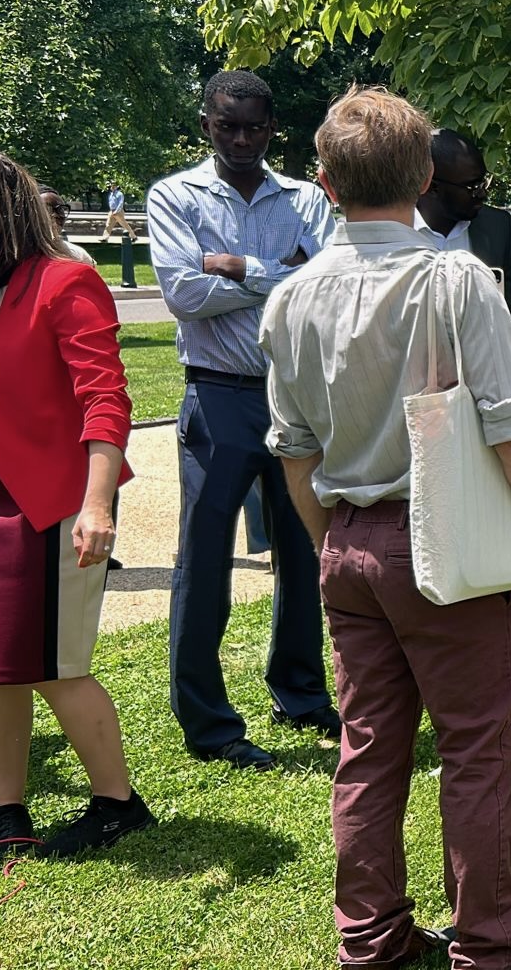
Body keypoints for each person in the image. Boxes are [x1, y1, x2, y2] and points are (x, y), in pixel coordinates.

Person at [260, 87, 511, 970]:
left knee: (368, 751)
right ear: (422, 176)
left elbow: (293, 449)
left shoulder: (292, 298)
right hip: (443, 544)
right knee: (476, 753)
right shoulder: (455, 280)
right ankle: (490, 948)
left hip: (348, 538)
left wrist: (326, 540)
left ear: (325, 181)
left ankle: (371, 940)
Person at [0, 149, 154, 858]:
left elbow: (106, 399)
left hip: (53, 501)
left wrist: (97, 506)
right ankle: (9, 809)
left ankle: (118, 802)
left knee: (54, 664)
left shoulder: (65, 281)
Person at [148, 69, 337, 770]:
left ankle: (301, 693)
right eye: (228, 125)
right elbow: (182, 292)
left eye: (255, 126)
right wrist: (275, 271)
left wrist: (234, 266)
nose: (242, 138)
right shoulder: (175, 194)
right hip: (218, 395)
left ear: (272, 128)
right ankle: (209, 724)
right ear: (206, 124)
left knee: (307, 551)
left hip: (296, 393)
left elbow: (323, 284)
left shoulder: (306, 197)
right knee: (204, 560)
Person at [415, 128, 511, 696]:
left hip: (490, 398)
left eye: (486, 181)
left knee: (510, 513)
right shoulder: (399, 232)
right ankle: (442, 657)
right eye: (470, 184)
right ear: (429, 183)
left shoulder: (495, 226)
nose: (482, 193)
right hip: (424, 405)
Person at [37, 185, 97, 265]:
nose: (56, 215)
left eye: (61, 209)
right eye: (48, 209)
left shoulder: (79, 256)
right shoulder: (19, 255)